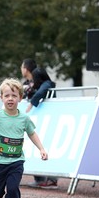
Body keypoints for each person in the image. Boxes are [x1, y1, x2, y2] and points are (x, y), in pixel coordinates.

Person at [21, 58, 58, 189]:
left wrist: (31, 103)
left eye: (22, 66)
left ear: (26, 68)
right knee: (35, 146)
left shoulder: (45, 82)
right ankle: (39, 178)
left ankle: (51, 179)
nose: (21, 69)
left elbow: (43, 90)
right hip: (37, 119)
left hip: (48, 117)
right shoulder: (28, 83)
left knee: (48, 144)